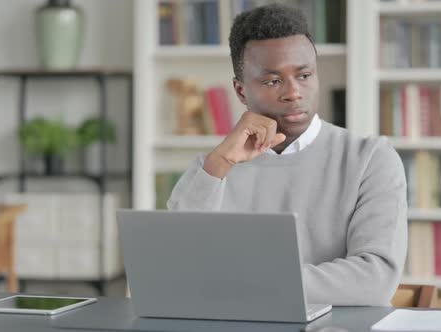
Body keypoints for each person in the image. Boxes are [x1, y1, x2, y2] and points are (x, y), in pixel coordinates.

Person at [168, 4, 407, 306]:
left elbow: (375, 281)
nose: (293, 92)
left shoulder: (371, 158)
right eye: (273, 81)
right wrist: (220, 163)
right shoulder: (215, 166)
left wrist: (243, 283)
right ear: (241, 92)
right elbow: (176, 267)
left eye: (304, 75)